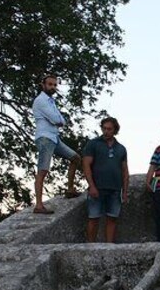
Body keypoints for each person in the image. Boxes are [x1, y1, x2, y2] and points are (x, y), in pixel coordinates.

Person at [32, 75, 82, 214]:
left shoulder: (51, 101)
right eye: (50, 84)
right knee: (43, 170)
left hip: (54, 138)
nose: (53, 87)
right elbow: (56, 119)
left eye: (54, 85)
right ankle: (39, 205)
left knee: (75, 158)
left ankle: (70, 189)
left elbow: (62, 120)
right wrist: (59, 120)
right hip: (45, 138)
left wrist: (59, 120)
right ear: (43, 85)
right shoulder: (41, 100)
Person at [82, 117, 129, 243]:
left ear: (115, 130)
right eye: (104, 128)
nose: (106, 131)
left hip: (115, 189)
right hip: (97, 187)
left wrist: (125, 191)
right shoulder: (93, 144)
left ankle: (109, 246)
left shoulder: (121, 148)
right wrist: (91, 186)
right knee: (93, 218)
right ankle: (90, 246)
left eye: (109, 129)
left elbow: (125, 170)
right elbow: (86, 164)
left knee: (112, 218)